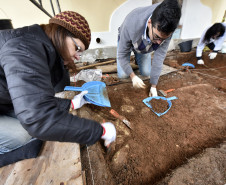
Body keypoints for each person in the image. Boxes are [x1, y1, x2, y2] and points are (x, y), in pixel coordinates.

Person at [0, 11, 116, 167]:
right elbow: (38, 119)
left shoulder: (38, 46)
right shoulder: (24, 49)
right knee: (23, 136)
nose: (78, 57)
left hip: (3, 102)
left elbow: (33, 96)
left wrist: (70, 105)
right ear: (61, 33)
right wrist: (99, 131)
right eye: (78, 48)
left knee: (26, 121)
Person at [117, 0, 181, 96]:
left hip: (145, 44)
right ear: (150, 23)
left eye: (164, 39)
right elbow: (121, 55)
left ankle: (138, 57)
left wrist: (153, 86)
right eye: (157, 37)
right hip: (128, 38)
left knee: (147, 72)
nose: (160, 43)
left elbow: (159, 58)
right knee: (123, 75)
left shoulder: (169, 25)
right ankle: (134, 55)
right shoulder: (131, 22)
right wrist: (133, 76)